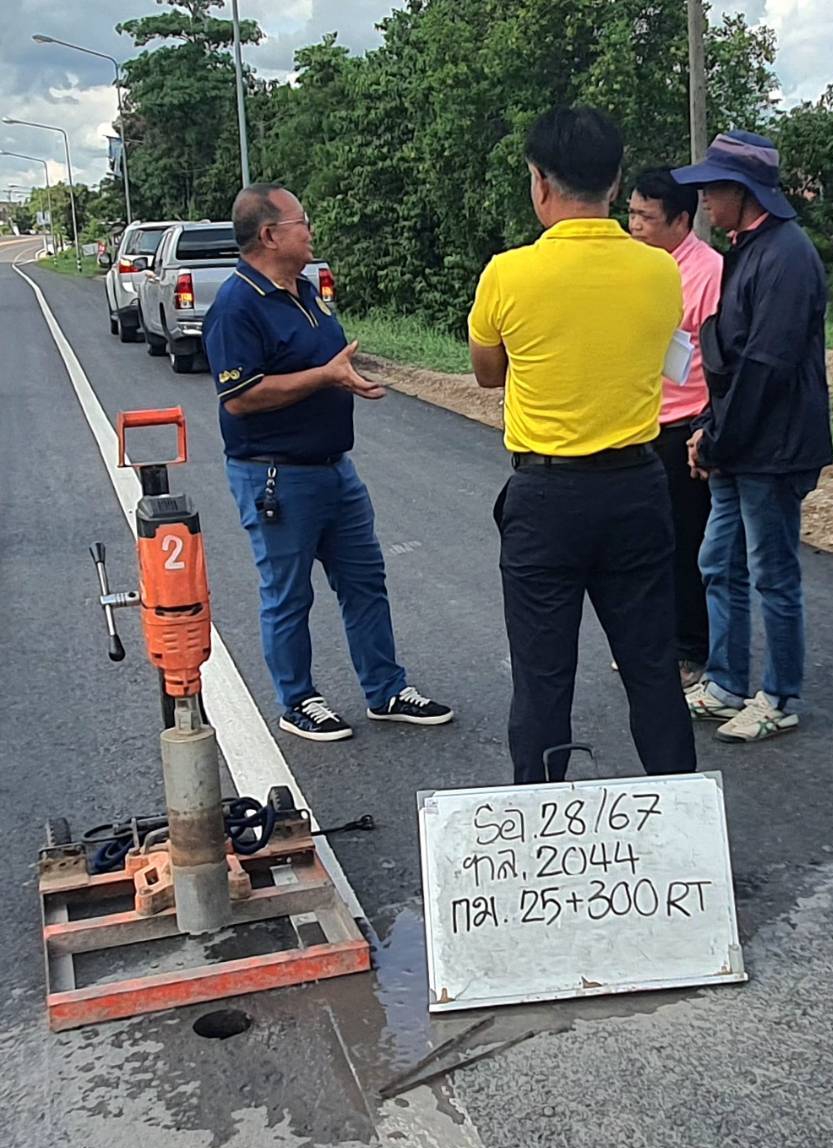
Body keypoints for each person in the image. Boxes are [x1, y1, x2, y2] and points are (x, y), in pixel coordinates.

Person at [467, 107, 697, 785]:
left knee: (543, 679)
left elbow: (487, 372)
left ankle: (541, 823)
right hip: (637, 485)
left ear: (539, 182)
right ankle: (681, 816)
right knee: (652, 668)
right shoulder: (660, 271)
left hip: (546, 495)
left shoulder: (508, 274)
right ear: (616, 181)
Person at [203, 183, 453, 741]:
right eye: (302, 221)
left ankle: (386, 689)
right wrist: (325, 377)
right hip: (276, 475)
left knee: (366, 582)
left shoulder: (305, 290)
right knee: (288, 594)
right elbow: (239, 396)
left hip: (334, 470)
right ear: (270, 235)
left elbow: (326, 360)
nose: (311, 230)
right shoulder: (237, 306)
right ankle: (297, 700)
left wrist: (345, 379)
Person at [672, 132, 832, 743]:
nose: (706, 201)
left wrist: (717, 439)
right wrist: (709, 429)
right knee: (718, 561)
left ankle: (780, 696)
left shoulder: (786, 256)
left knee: (772, 573)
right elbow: (729, 356)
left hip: (773, 447)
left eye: (714, 189)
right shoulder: (747, 248)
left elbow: (766, 366)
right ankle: (725, 682)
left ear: (744, 192)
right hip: (739, 443)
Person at [627, 167, 723, 689]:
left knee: (686, 543)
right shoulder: (637, 266)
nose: (635, 225)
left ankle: (691, 650)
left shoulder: (708, 272)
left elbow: (718, 358)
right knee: (646, 542)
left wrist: (707, 428)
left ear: (682, 221)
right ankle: (656, 640)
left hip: (685, 424)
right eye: (632, 213)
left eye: (647, 217)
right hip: (641, 421)